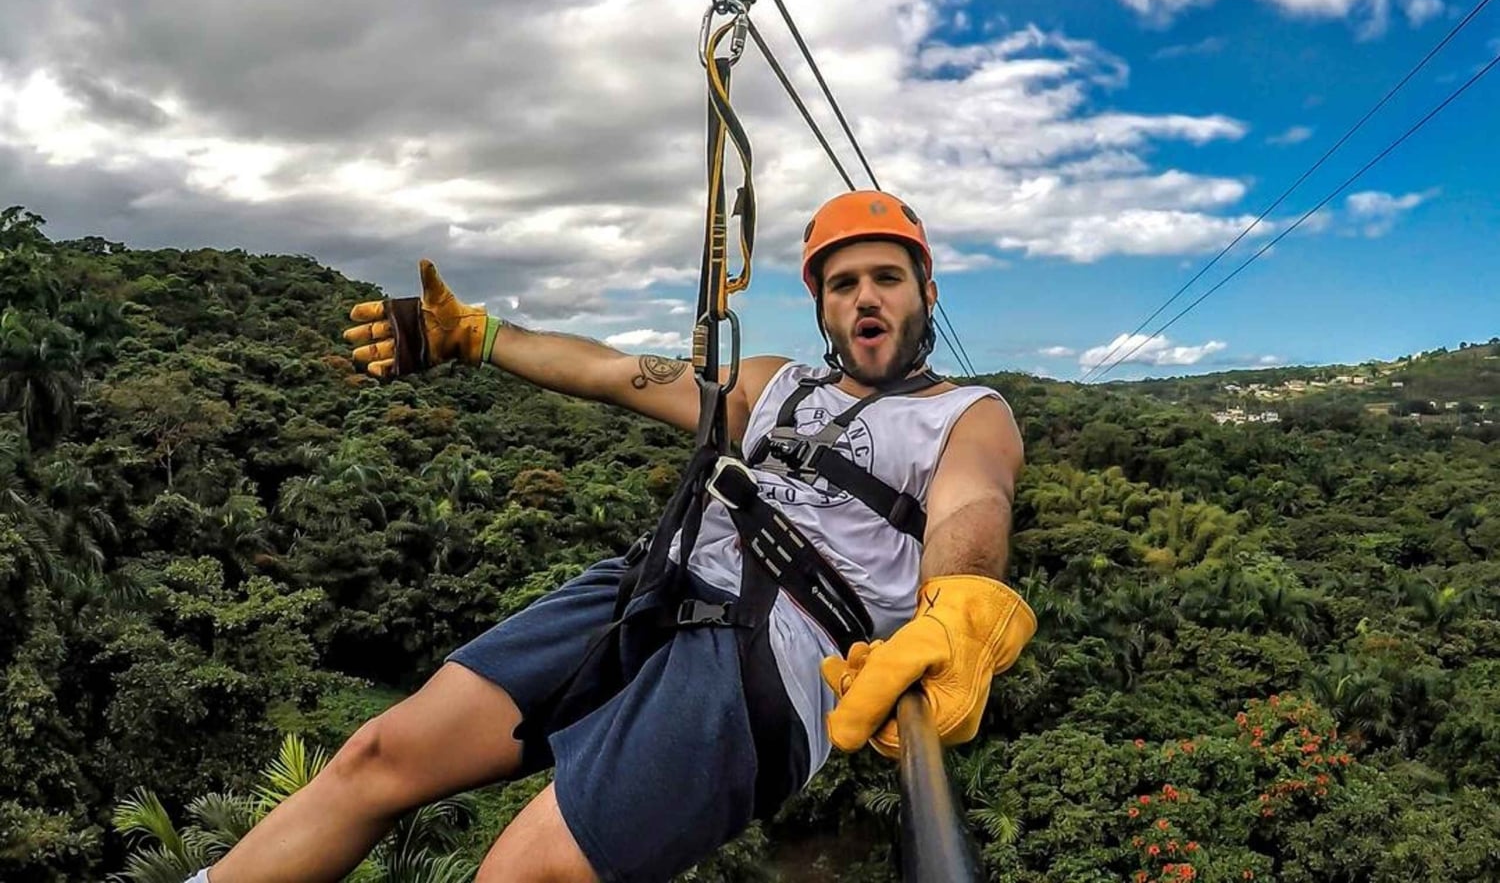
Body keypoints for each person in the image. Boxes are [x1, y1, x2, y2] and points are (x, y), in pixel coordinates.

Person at [187, 189, 1036, 883]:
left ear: (925, 293)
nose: (866, 297)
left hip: (777, 651)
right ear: (821, 305)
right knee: (380, 753)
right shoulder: (772, 383)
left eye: (887, 277)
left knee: (521, 872)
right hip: (650, 583)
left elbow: (973, 507)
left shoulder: (967, 415)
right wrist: (479, 337)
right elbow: (613, 373)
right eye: (843, 283)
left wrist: (957, 608)